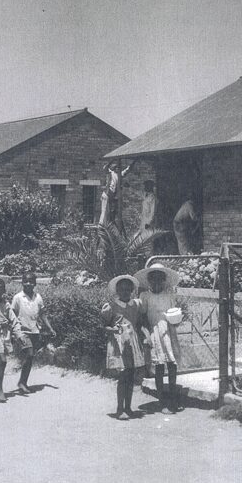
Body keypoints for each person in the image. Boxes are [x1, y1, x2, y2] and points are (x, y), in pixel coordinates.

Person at [134, 263, 183, 413]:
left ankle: (173, 399)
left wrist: (176, 320)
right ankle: (162, 401)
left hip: (169, 331)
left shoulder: (169, 295)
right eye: (153, 279)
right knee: (159, 366)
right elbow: (142, 317)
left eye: (159, 279)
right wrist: (146, 334)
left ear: (164, 281)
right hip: (154, 331)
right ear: (149, 281)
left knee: (172, 364)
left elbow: (174, 313)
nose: (156, 282)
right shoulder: (145, 296)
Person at [100, 274, 149, 420]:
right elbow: (104, 326)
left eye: (128, 289)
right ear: (117, 291)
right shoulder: (111, 307)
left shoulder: (136, 305)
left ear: (132, 290)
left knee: (130, 375)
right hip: (119, 344)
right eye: (122, 289)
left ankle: (128, 407)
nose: (125, 292)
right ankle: (120, 409)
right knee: (123, 376)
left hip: (132, 343)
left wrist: (145, 335)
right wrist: (113, 330)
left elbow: (139, 323)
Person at [10, 272, 55, 394]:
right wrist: (12, 331)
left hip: (34, 331)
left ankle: (23, 382)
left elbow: (42, 314)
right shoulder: (18, 298)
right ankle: (22, 383)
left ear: (35, 283)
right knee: (29, 354)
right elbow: (12, 314)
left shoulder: (38, 297)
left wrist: (50, 328)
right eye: (26, 281)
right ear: (22, 282)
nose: (28, 284)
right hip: (22, 331)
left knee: (30, 357)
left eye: (31, 281)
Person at [99, 160, 134, 228]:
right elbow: (105, 168)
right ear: (113, 168)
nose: (117, 169)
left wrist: (133, 163)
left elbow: (127, 170)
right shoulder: (110, 173)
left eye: (118, 168)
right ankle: (101, 225)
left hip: (112, 196)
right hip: (107, 194)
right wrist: (111, 161)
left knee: (111, 211)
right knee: (104, 210)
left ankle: (108, 225)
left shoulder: (119, 175)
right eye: (116, 167)